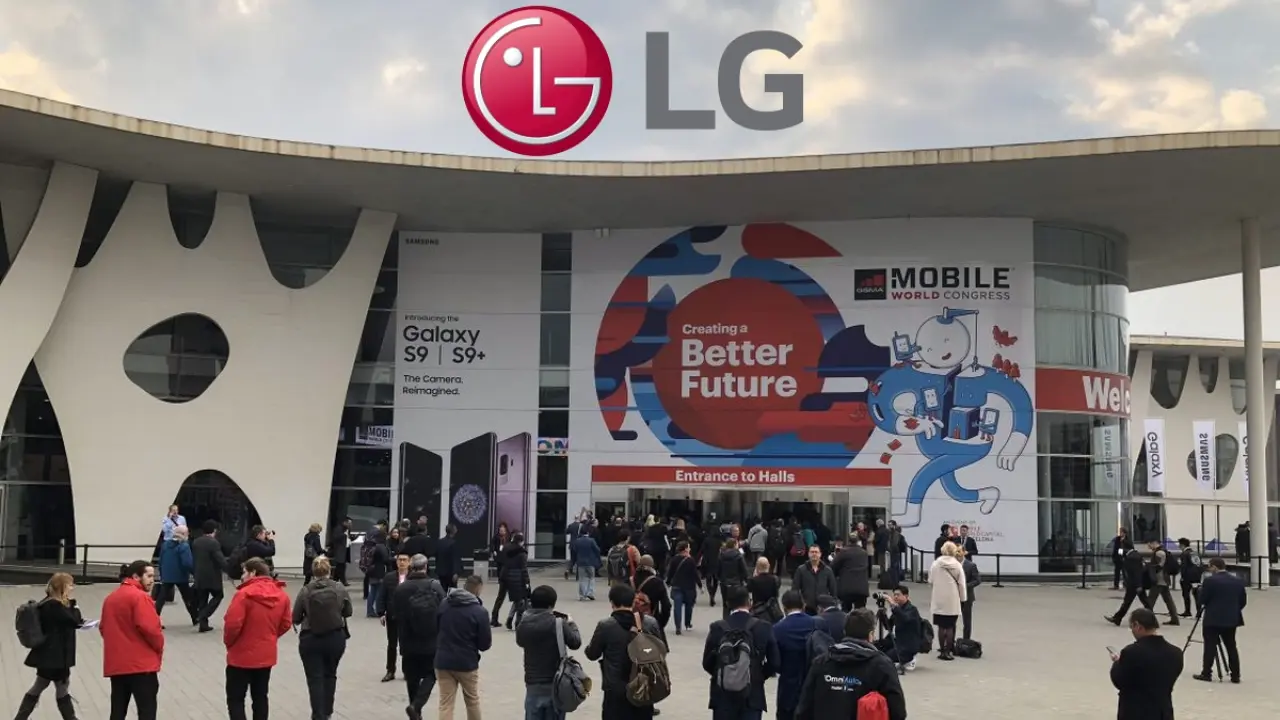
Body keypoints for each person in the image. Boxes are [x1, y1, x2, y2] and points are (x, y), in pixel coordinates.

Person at [794, 608, 908, 720]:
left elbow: (804, 708)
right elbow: (898, 711)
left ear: (845, 632)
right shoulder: (881, 665)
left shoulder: (822, 662)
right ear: (871, 635)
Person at [222, 557, 291, 720]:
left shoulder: (243, 595)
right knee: (260, 696)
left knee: (236, 698)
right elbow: (286, 623)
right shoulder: (282, 595)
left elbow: (232, 624)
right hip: (265, 655)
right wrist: (270, 636)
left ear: (253, 573)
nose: (242, 577)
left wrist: (229, 643)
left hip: (240, 656)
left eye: (244, 572)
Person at [584, 584, 664, 720]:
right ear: (633, 601)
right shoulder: (650, 623)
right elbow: (661, 650)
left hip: (615, 689)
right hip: (643, 686)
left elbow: (592, 654)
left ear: (612, 603)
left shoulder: (606, 625)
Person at [702, 585, 779, 720]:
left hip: (722, 696)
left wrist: (724, 673)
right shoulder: (763, 627)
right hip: (752, 696)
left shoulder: (717, 627)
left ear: (727, 604)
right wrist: (758, 674)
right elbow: (775, 662)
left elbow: (707, 663)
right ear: (749, 602)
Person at [15, 572, 84, 720]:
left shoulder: (47, 603)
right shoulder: (55, 606)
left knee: (42, 685)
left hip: (48, 656)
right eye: (70, 585)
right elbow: (75, 621)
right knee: (60, 687)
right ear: (62, 587)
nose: (72, 588)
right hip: (56, 657)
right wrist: (75, 605)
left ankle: (20, 717)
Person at [101, 560, 164, 720]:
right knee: (147, 710)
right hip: (141, 665)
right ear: (136, 576)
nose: (152, 580)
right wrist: (159, 647)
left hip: (118, 665)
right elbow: (151, 629)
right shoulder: (140, 597)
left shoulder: (111, 598)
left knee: (117, 710)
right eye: (149, 576)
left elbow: (104, 628)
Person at [293, 556, 353, 720]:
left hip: (311, 638)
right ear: (329, 570)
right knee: (330, 674)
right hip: (335, 637)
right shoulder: (339, 588)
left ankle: (318, 714)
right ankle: (327, 711)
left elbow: (296, 617)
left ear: (313, 572)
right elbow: (348, 612)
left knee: (315, 678)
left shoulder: (306, 590)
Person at [517, 585, 582, 720]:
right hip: (556, 683)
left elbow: (520, 642)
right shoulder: (558, 623)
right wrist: (571, 624)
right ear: (552, 604)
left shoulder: (523, 623)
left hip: (533, 683)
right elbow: (575, 642)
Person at [395, 554, 447, 720]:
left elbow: (396, 614)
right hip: (431, 640)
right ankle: (416, 706)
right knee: (432, 674)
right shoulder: (435, 586)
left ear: (411, 567)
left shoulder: (401, 588)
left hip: (408, 640)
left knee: (412, 678)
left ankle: (415, 712)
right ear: (426, 567)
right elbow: (444, 610)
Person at [1109, 608, 1183, 719]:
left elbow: (1119, 681)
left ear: (1138, 626)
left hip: (1135, 712)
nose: (1132, 631)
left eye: (1131, 627)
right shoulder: (1176, 653)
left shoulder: (1131, 652)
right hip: (1162, 712)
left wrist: (1117, 663)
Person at [437, 574, 492, 720]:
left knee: (445, 702)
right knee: (472, 700)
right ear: (478, 589)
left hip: (443, 660)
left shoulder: (444, 604)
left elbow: (436, 628)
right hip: (466, 662)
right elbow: (484, 644)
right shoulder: (479, 611)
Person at [1193, 557, 1246, 683]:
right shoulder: (1237, 581)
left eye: (1209, 567)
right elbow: (1243, 601)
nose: (1209, 570)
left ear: (1214, 567)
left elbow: (1202, 600)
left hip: (1213, 619)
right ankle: (1235, 675)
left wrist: (1198, 592)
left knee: (1210, 646)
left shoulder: (1209, 581)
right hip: (1231, 619)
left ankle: (1207, 673)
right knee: (1231, 646)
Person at [772, 590, 818, 720]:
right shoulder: (816, 624)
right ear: (803, 605)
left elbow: (775, 662)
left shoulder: (777, 629)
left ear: (784, 607)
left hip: (788, 688)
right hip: (812, 687)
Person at [377, 550, 413, 682]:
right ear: (396, 562)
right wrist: (381, 612)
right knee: (392, 644)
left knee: (407, 645)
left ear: (409, 562)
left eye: (404, 560)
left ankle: (407, 671)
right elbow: (382, 595)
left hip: (409, 617)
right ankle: (390, 670)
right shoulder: (389, 577)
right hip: (393, 616)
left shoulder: (413, 577)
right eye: (400, 560)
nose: (402, 562)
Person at [928, 541, 966, 661]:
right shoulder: (957, 565)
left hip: (939, 597)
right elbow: (961, 584)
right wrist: (963, 599)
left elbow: (930, 580)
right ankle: (948, 652)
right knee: (950, 626)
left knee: (941, 626)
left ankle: (941, 651)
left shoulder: (936, 563)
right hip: (952, 599)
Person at [154, 524, 197, 626]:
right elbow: (187, 563)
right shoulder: (184, 546)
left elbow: (161, 560)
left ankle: (153, 619)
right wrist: (194, 573)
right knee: (187, 597)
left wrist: (161, 573)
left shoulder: (165, 544)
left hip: (167, 575)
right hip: (180, 575)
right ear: (183, 534)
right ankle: (195, 617)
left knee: (161, 599)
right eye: (187, 533)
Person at [191, 519, 228, 633]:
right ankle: (203, 614)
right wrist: (228, 568)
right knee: (218, 595)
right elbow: (220, 559)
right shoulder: (214, 543)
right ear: (214, 530)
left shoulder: (196, 542)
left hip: (199, 575)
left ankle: (203, 625)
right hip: (212, 576)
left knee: (203, 599)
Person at [877, 586, 922, 674]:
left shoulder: (912, 609)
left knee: (885, 658)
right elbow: (888, 626)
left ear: (906, 596)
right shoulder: (898, 609)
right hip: (896, 641)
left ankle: (909, 659)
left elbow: (905, 619)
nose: (895, 597)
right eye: (894, 595)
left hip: (907, 646)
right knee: (876, 649)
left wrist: (893, 605)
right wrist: (883, 615)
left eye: (898, 595)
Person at [1105, 545, 1153, 626]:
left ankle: (1117, 618)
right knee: (1144, 602)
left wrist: (1138, 585)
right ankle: (1117, 618)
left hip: (1134, 584)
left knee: (1128, 602)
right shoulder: (1135, 554)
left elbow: (1136, 572)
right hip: (1136, 584)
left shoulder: (1132, 558)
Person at [493, 532, 531, 630]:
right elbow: (524, 569)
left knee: (500, 597)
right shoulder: (522, 552)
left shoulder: (505, 547)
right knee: (519, 599)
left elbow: (500, 560)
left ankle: (494, 618)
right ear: (521, 542)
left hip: (504, 574)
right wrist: (527, 582)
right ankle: (516, 622)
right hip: (516, 577)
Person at [666, 540, 701, 634]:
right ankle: (687, 623)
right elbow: (695, 574)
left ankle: (678, 627)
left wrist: (668, 582)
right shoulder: (691, 560)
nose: (690, 549)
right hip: (689, 587)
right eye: (689, 547)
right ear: (685, 549)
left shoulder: (674, 559)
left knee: (677, 607)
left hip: (677, 586)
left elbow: (670, 572)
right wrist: (700, 585)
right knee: (689, 606)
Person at [791, 545, 837, 616]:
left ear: (820, 554)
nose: (814, 554)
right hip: (806, 608)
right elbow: (795, 589)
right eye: (812, 552)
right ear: (808, 554)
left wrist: (833, 605)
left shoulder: (827, 570)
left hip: (823, 608)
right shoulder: (801, 570)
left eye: (816, 552)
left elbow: (833, 590)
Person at [1143, 541, 1180, 626]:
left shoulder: (1159, 552)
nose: (1149, 547)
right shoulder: (1163, 551)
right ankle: (1174, 618)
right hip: (1164, 580)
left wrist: (1149, 567)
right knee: (1168, 600)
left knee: (1150, 601)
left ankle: (1146, 620)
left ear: (1153, 543)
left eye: (1149, 545)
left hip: (1159, 580)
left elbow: (1160, 566)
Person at [830, 535, 870, 611]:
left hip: (846, 587)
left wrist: (837, 574)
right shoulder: (864, 553)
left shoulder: (844, 552)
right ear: (857, 542)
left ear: (848, 541)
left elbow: (833, 565)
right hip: (862, 588)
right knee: (860, 612)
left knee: (845, 611)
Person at [635, 555, 672, 634]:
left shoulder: (631, 580)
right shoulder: (657, 582)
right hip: (652, 620)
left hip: (633, 622)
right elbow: (667, 606)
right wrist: (660, 624)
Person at [746, 556, 782, 624]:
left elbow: (748, 589)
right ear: (768, 566)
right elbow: (776, 594)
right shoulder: (774, 579)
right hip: (771, 609)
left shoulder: (753, 580)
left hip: (758, 609)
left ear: (757, 567)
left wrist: (754, 576)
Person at [1176, 538, 1204, 618]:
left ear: (1182, 545)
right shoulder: (1195, 553)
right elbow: (1200, 565)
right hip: (1197, 577)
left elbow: (1183, 567)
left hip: (1187, 577)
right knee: (1196, 595)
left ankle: (1187, 611)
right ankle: (1199, 612)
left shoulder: (1184, 554)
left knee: (1186, 594)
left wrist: (1182, 577)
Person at [572, 527, 602, 601]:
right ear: (588, 532)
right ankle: (590, 593)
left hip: (580, 562)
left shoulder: (577, 541)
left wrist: (574, 562)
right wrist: (598, 559)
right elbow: (597, 550)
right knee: (591, 578)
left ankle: (582, 595)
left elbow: (574, 552)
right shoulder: (591, 540)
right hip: (590, 562)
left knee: (582, 579)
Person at [959, 547, 981, 641]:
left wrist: (966, 586)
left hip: (967, 596)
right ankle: (949, 641)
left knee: (967, 621)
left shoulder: (971, 565)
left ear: (964, 552)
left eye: (959, 551)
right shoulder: (952, 565)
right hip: (954, 596)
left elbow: (977, 580)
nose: (957, 554)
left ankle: (966, 640)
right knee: (951, 621)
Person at [327, 517, 355, 585]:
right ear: (345, 522)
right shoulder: (339, 529)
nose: (350, 525)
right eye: (349, 523)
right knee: (341, 566)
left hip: (345, 549)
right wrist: (344, 535)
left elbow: (348, 538)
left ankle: (335, 580)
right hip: (339, 550)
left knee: (340, 566)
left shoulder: (347, 530)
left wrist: (353, 538)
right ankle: (343, 581)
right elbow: (335, 538)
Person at [436, 524, 464, 590]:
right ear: (454, 531)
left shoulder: (439, 542)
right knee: (452, 591)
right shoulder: (454, 543)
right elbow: (455, 558)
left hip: (441, 571)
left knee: (443, 590)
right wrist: (455, 572)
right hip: (451, 572)